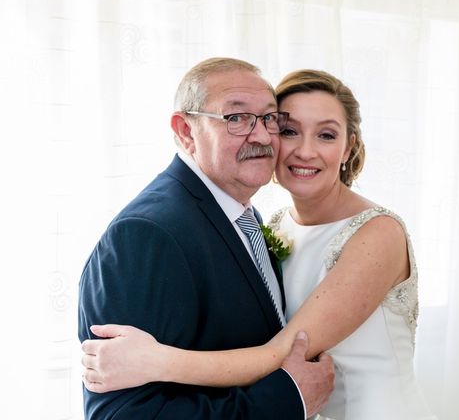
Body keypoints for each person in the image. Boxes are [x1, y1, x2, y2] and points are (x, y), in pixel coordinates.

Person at [82, 69, 438, 419]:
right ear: (186, 131)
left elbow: (280, 350)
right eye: (287, 130)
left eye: (326, 135)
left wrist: (157, 361)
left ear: (349, 147)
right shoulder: (274, 222)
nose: (305, 151)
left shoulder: (378, 233)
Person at [78, 58, 335, 419]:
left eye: (269, 118)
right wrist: (290, 399)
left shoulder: (243, 214)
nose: (262, 136)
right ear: (186, 131)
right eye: (236, 118)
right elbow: (124, 415)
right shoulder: (147, 234)